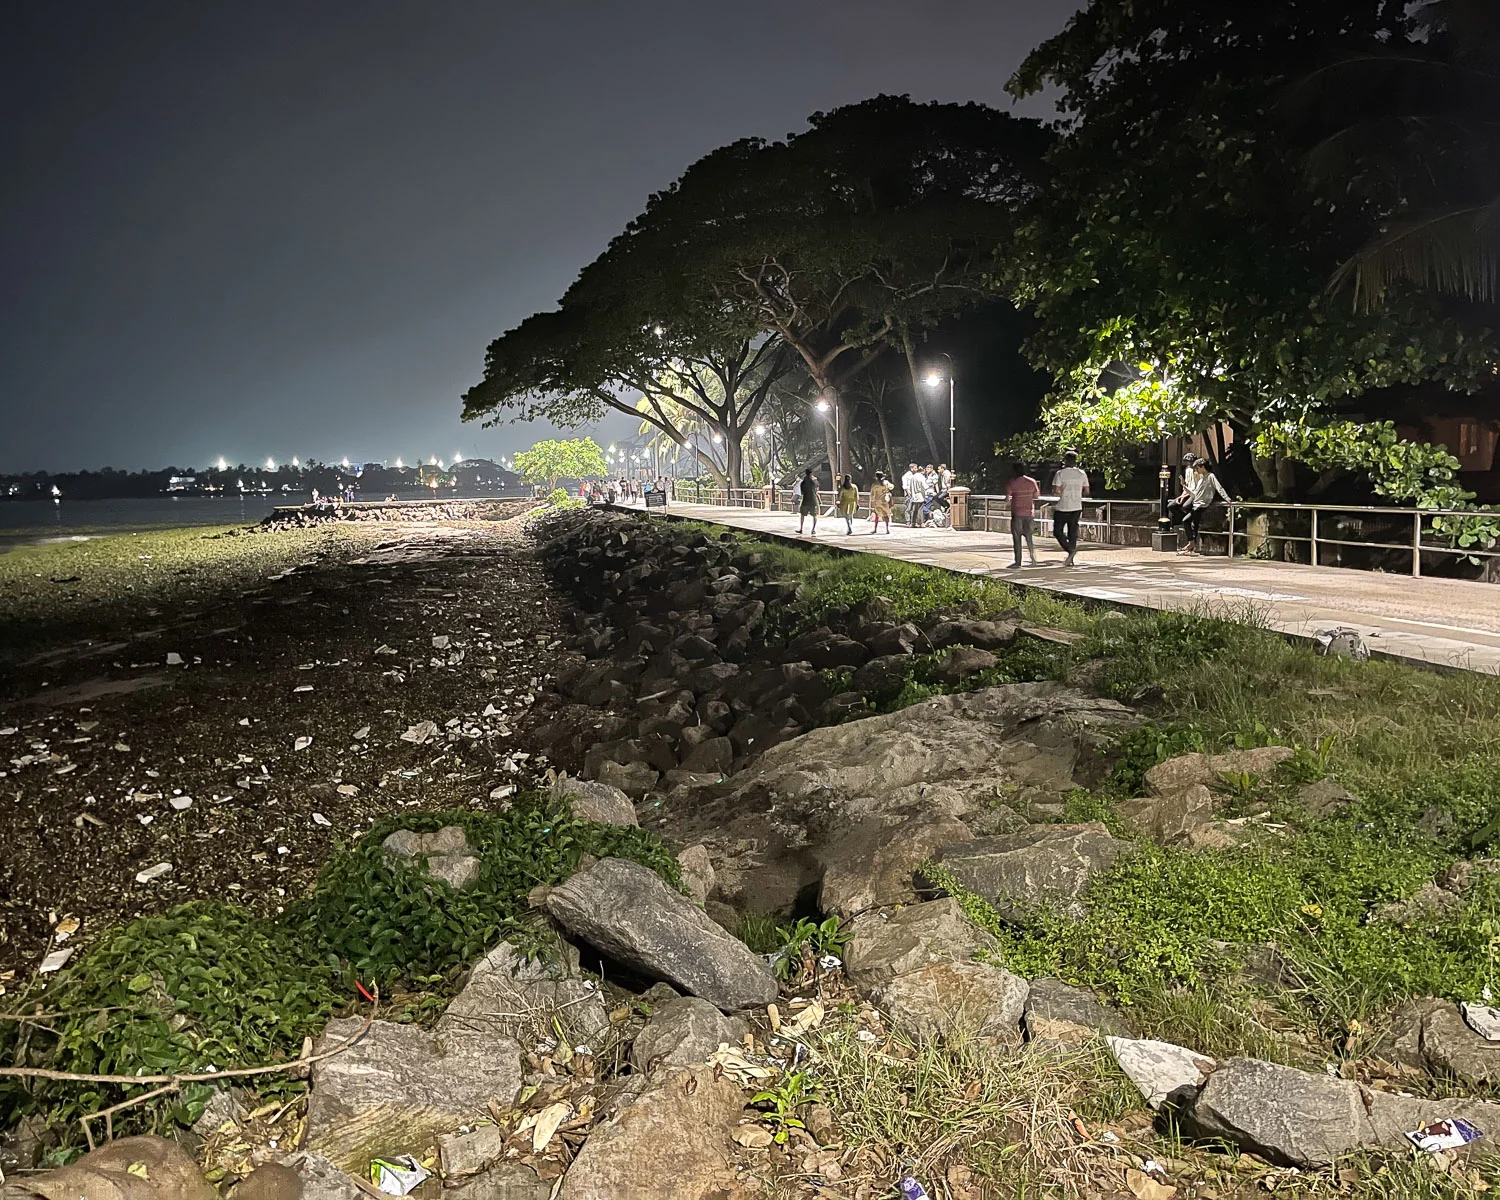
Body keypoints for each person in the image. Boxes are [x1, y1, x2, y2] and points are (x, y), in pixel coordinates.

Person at [1180, 458, 1231, 554]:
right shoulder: (1200, 479)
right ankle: (1191, 545)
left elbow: (1219, 487)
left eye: (1197, 468)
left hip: (1201, 505)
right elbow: (1194, 495)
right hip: (1196, 504)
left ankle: (1191, 544)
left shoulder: (1211, 476)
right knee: (1193, 525)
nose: (1196, 471)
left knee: (1186, 521)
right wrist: (1184, 487)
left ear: (1202, 467)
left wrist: (1226, 498)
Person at [1051, 449, 1090, 567]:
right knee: (1072, 532)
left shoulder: (1060, 473)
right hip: (1076, 506)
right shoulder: (1082, 474)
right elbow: (1087, 490)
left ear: (1065, 460)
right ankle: (1071, 558)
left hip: (1063, 506)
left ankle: (1069, 550)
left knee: (1057, 531)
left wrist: (1059, 492)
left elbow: (1056, 490)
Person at [1004, 462, 1041, 567]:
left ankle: (1018, 561)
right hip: (1029, 512)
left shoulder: (1012, 482)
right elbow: (1037, 495)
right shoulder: (1031, 481)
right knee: (1029, 536)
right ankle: (1033, 558)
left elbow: (1007, 497)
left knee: (1017, 538)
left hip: (1017, 512)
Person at [901, 462, 927, 527]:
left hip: (914, 495)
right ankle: (921, 522)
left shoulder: (913, 477)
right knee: (919, 509)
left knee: (915, 509)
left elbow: (910, 486)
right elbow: (925, 486)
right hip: (919, 494)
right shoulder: (921, 477)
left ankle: (913, 522)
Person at [797, 468, 820, 535]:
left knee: (802, 514)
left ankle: (801, 528)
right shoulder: (814, 482)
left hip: (805, 500)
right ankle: (813, 529)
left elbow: (802, 492)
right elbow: (817, 490)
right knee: (815, 515)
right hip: (813, 500)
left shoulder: (803, 482)